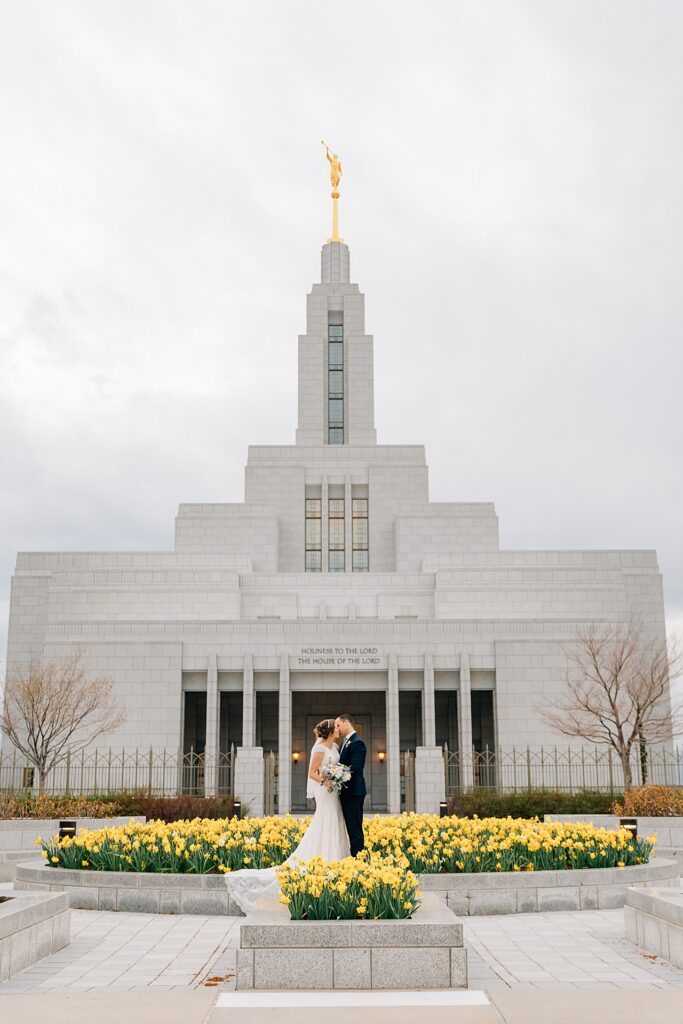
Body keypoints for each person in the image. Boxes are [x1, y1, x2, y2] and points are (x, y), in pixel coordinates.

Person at [224, 718, 350, 914]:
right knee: (325, 821)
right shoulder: (319, 750)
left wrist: (338, 775)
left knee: (335, 820)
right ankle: (322, 860)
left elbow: (335, 766)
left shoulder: (335, 746)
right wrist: (328, 781)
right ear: (330, 731)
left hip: (335, 793)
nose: (338, 730)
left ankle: (335, 861)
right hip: (325, 792)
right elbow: (312, 774)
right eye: (336, 728)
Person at [335, 714, 367, 856]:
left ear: (346, 723)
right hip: (346, 793)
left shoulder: (357, 742)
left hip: (354, 792)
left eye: (338, 725)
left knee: (354, 829)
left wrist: (336, 773)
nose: (337, 729)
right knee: (350, 828)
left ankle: (359, 860)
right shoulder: (344, 743)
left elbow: (356, 767)